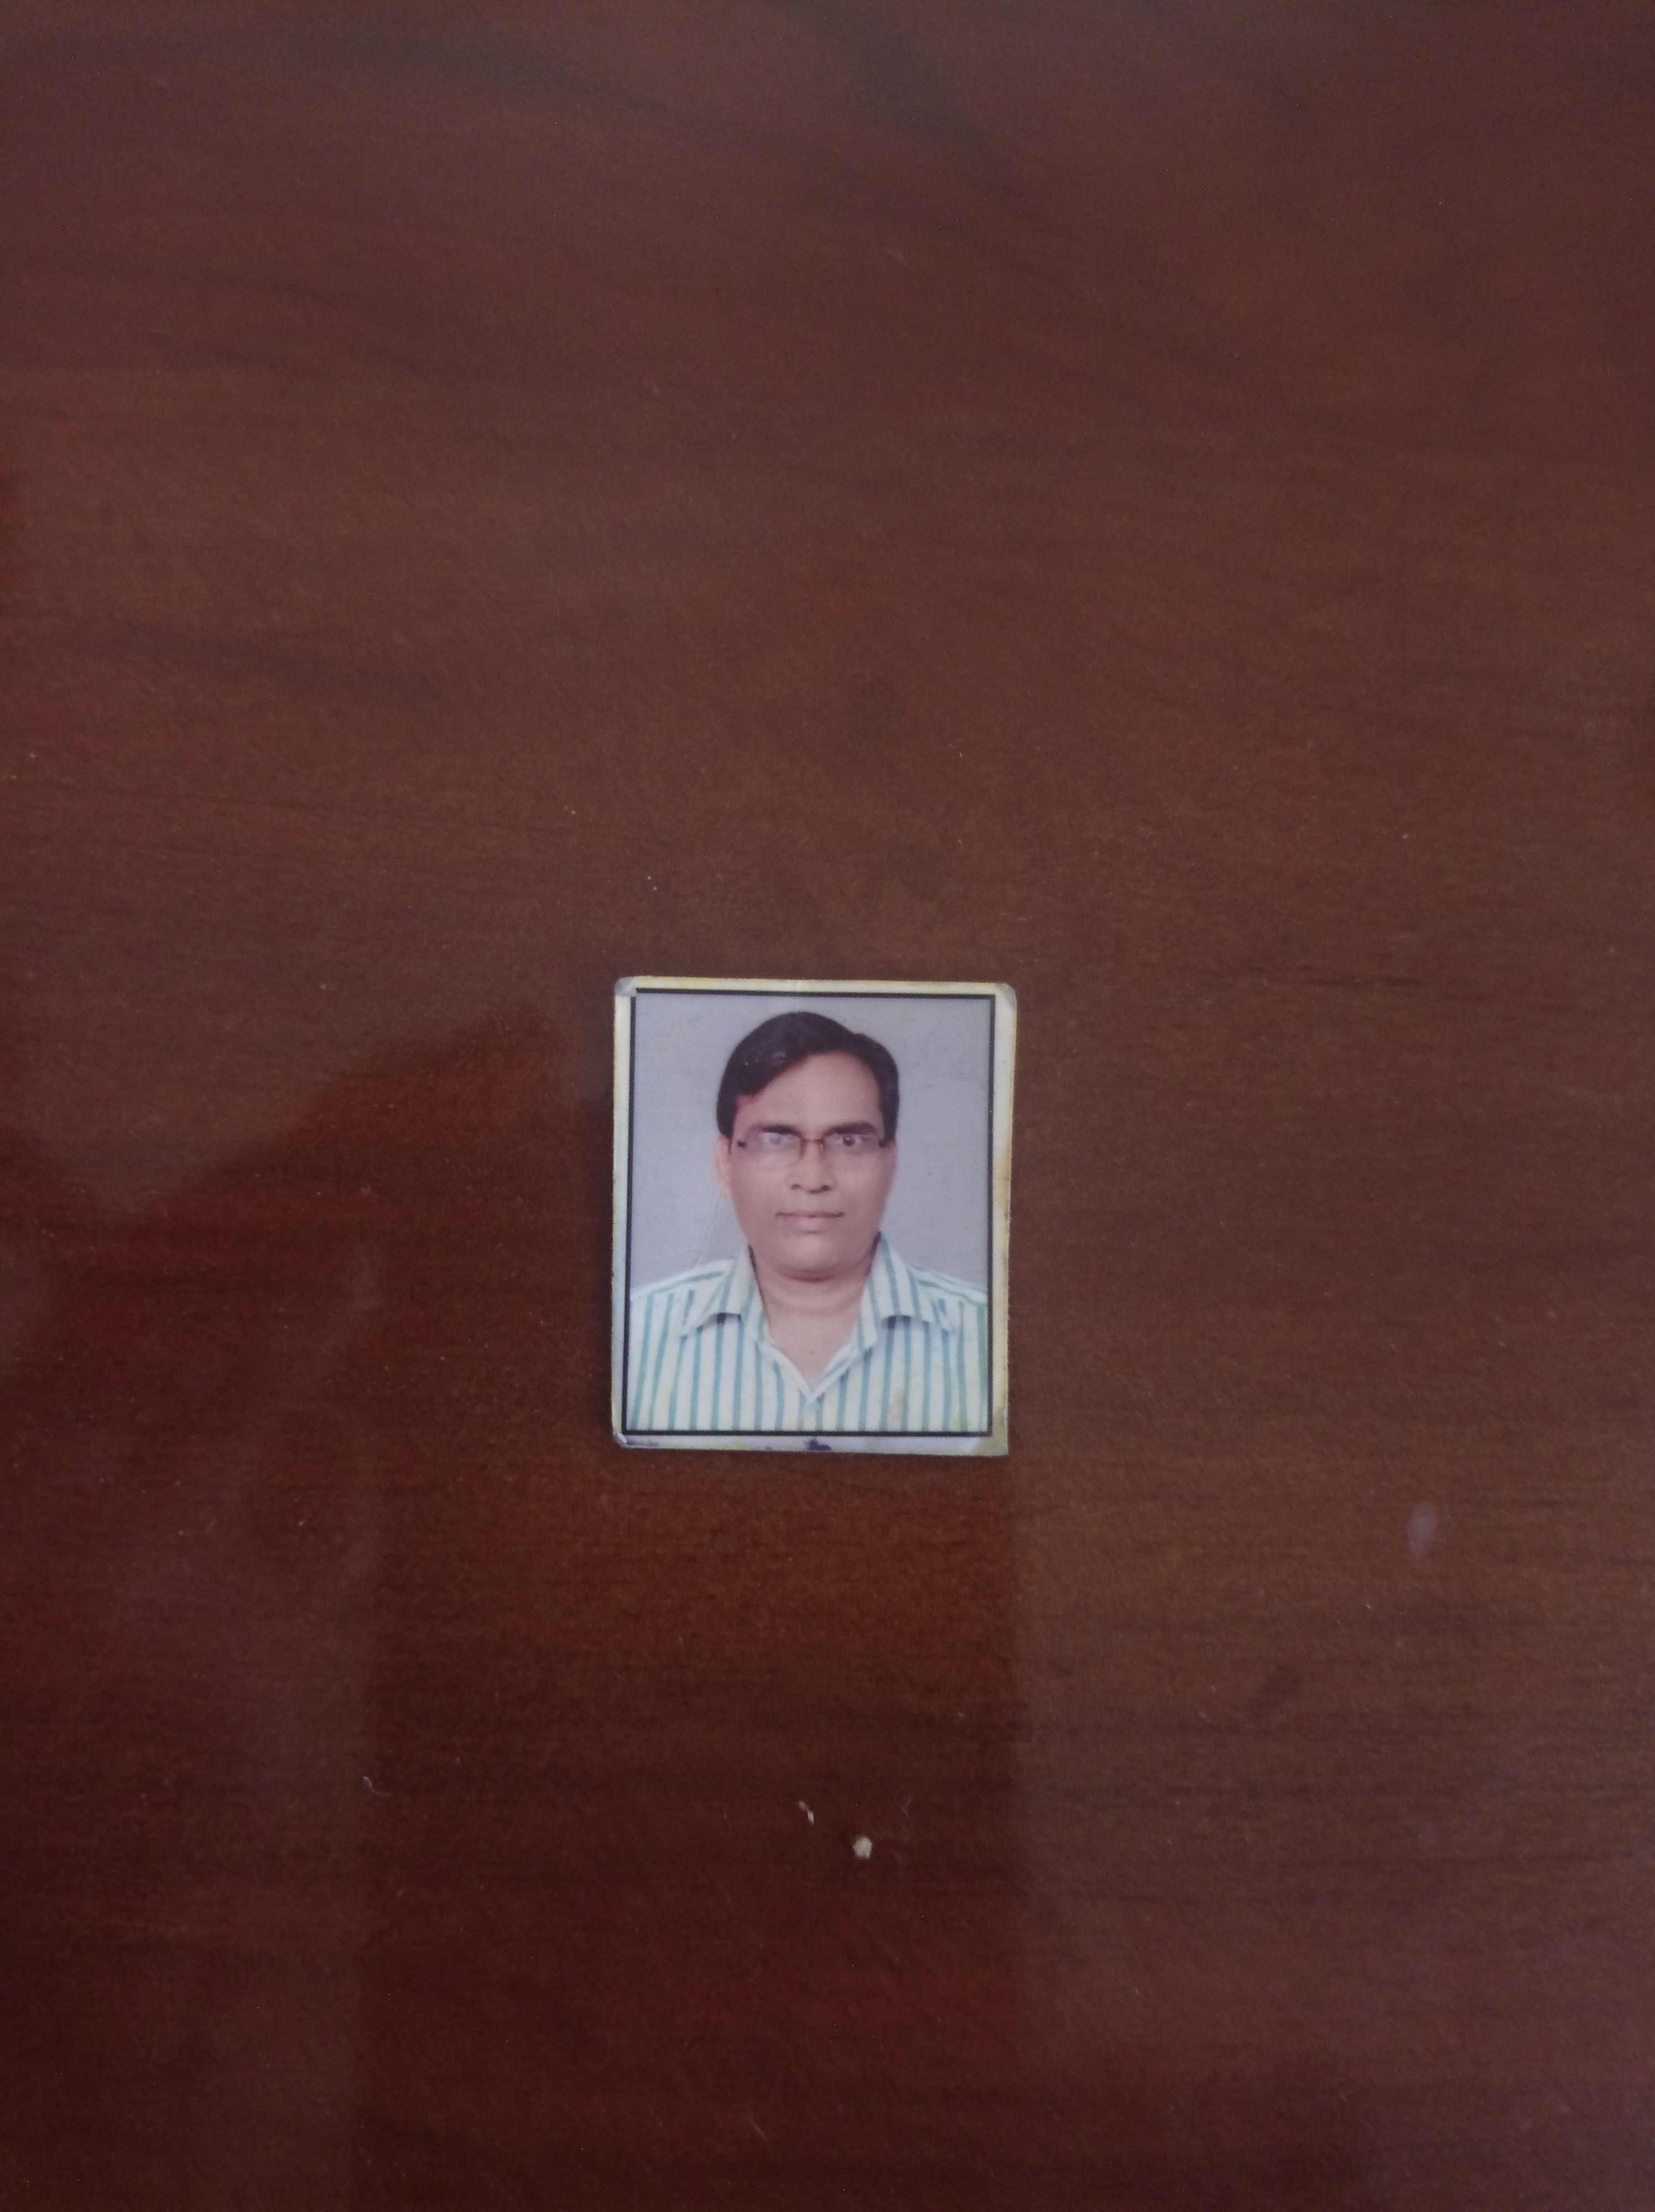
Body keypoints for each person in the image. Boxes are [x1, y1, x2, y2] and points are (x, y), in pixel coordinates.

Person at [626, 1010, 989, 1436]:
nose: (814, 1178)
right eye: (776, 1139)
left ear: (890, 1162)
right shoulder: (635, 1337)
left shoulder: (987, 1338)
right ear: (725, 1163)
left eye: (848, 1141)